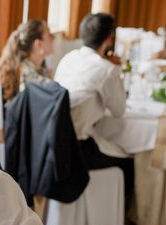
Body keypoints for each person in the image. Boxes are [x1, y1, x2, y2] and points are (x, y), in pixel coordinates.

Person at [54, 13, 134, 200]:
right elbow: (119, 110)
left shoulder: (69, 57)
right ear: (108, 39)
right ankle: (119, 224)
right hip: (78, 150)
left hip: (55, 140)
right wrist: (117, 68)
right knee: (129, 162)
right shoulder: (106, 69)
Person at [0, 19, 55, 102]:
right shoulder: (27, 73)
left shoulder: (38, 67)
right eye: (49, 35)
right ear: (38, 44)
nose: (53, 38)